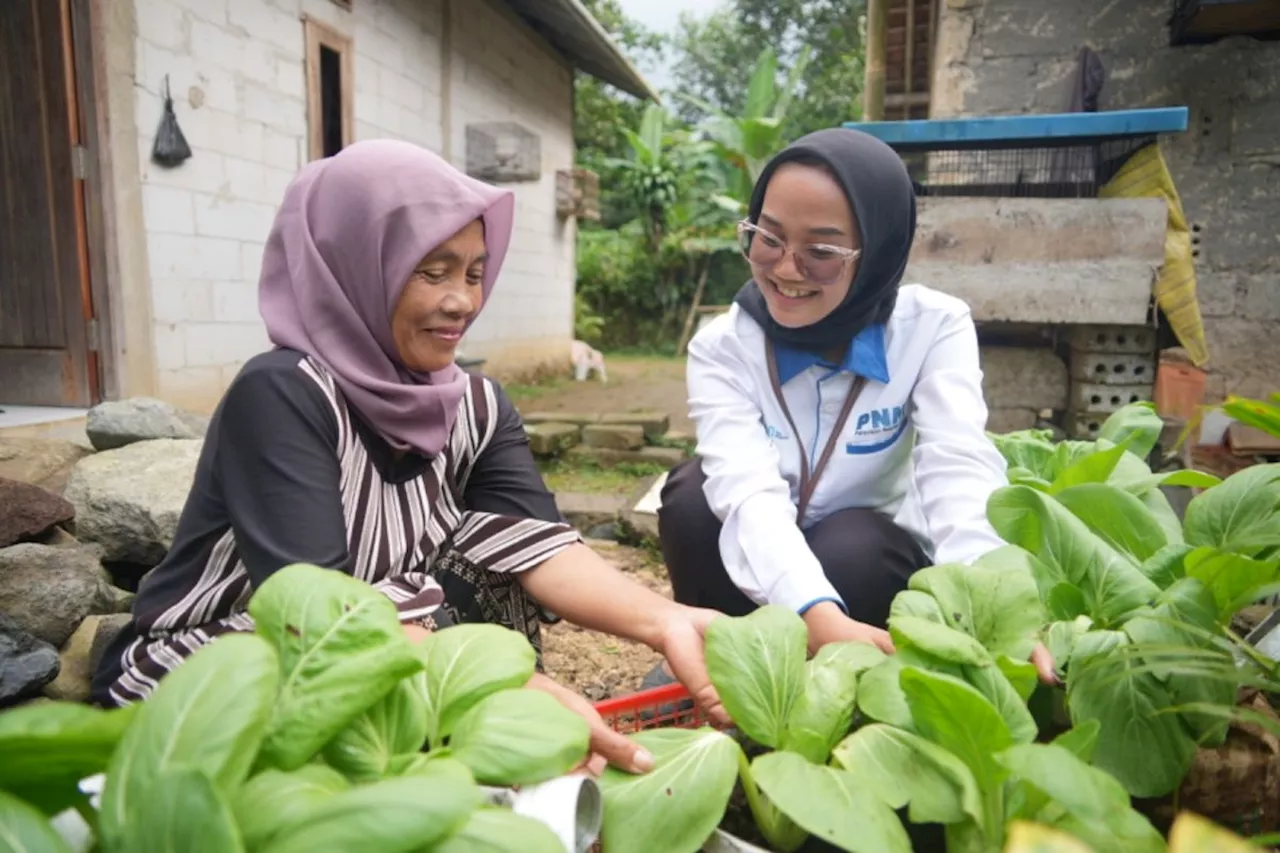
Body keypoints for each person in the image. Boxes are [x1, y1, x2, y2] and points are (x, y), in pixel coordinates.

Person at [91, 139, 726, 773]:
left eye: (475, 273)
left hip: (389, 644)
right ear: (357, 265)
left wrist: (664, 620)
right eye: (433, 271)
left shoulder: (473, 403)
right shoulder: (283, 393)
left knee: (494, 558)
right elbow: (315, 611)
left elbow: (541, 543)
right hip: (244, 657)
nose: (463, 302)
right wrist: (502, 692)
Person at [654, 128, 1055, 682]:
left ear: (878, 252)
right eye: (767, 239)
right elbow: (746, 489)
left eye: (820, 252)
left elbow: (956, 463)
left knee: (854, 544)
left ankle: (847, 675)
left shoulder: (933, 328)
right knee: (693, 497)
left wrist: (992, 602)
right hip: (761, 556)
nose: (787, 270)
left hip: (863, 564)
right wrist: (811, 611)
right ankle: (722, 662)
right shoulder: (724, 347)